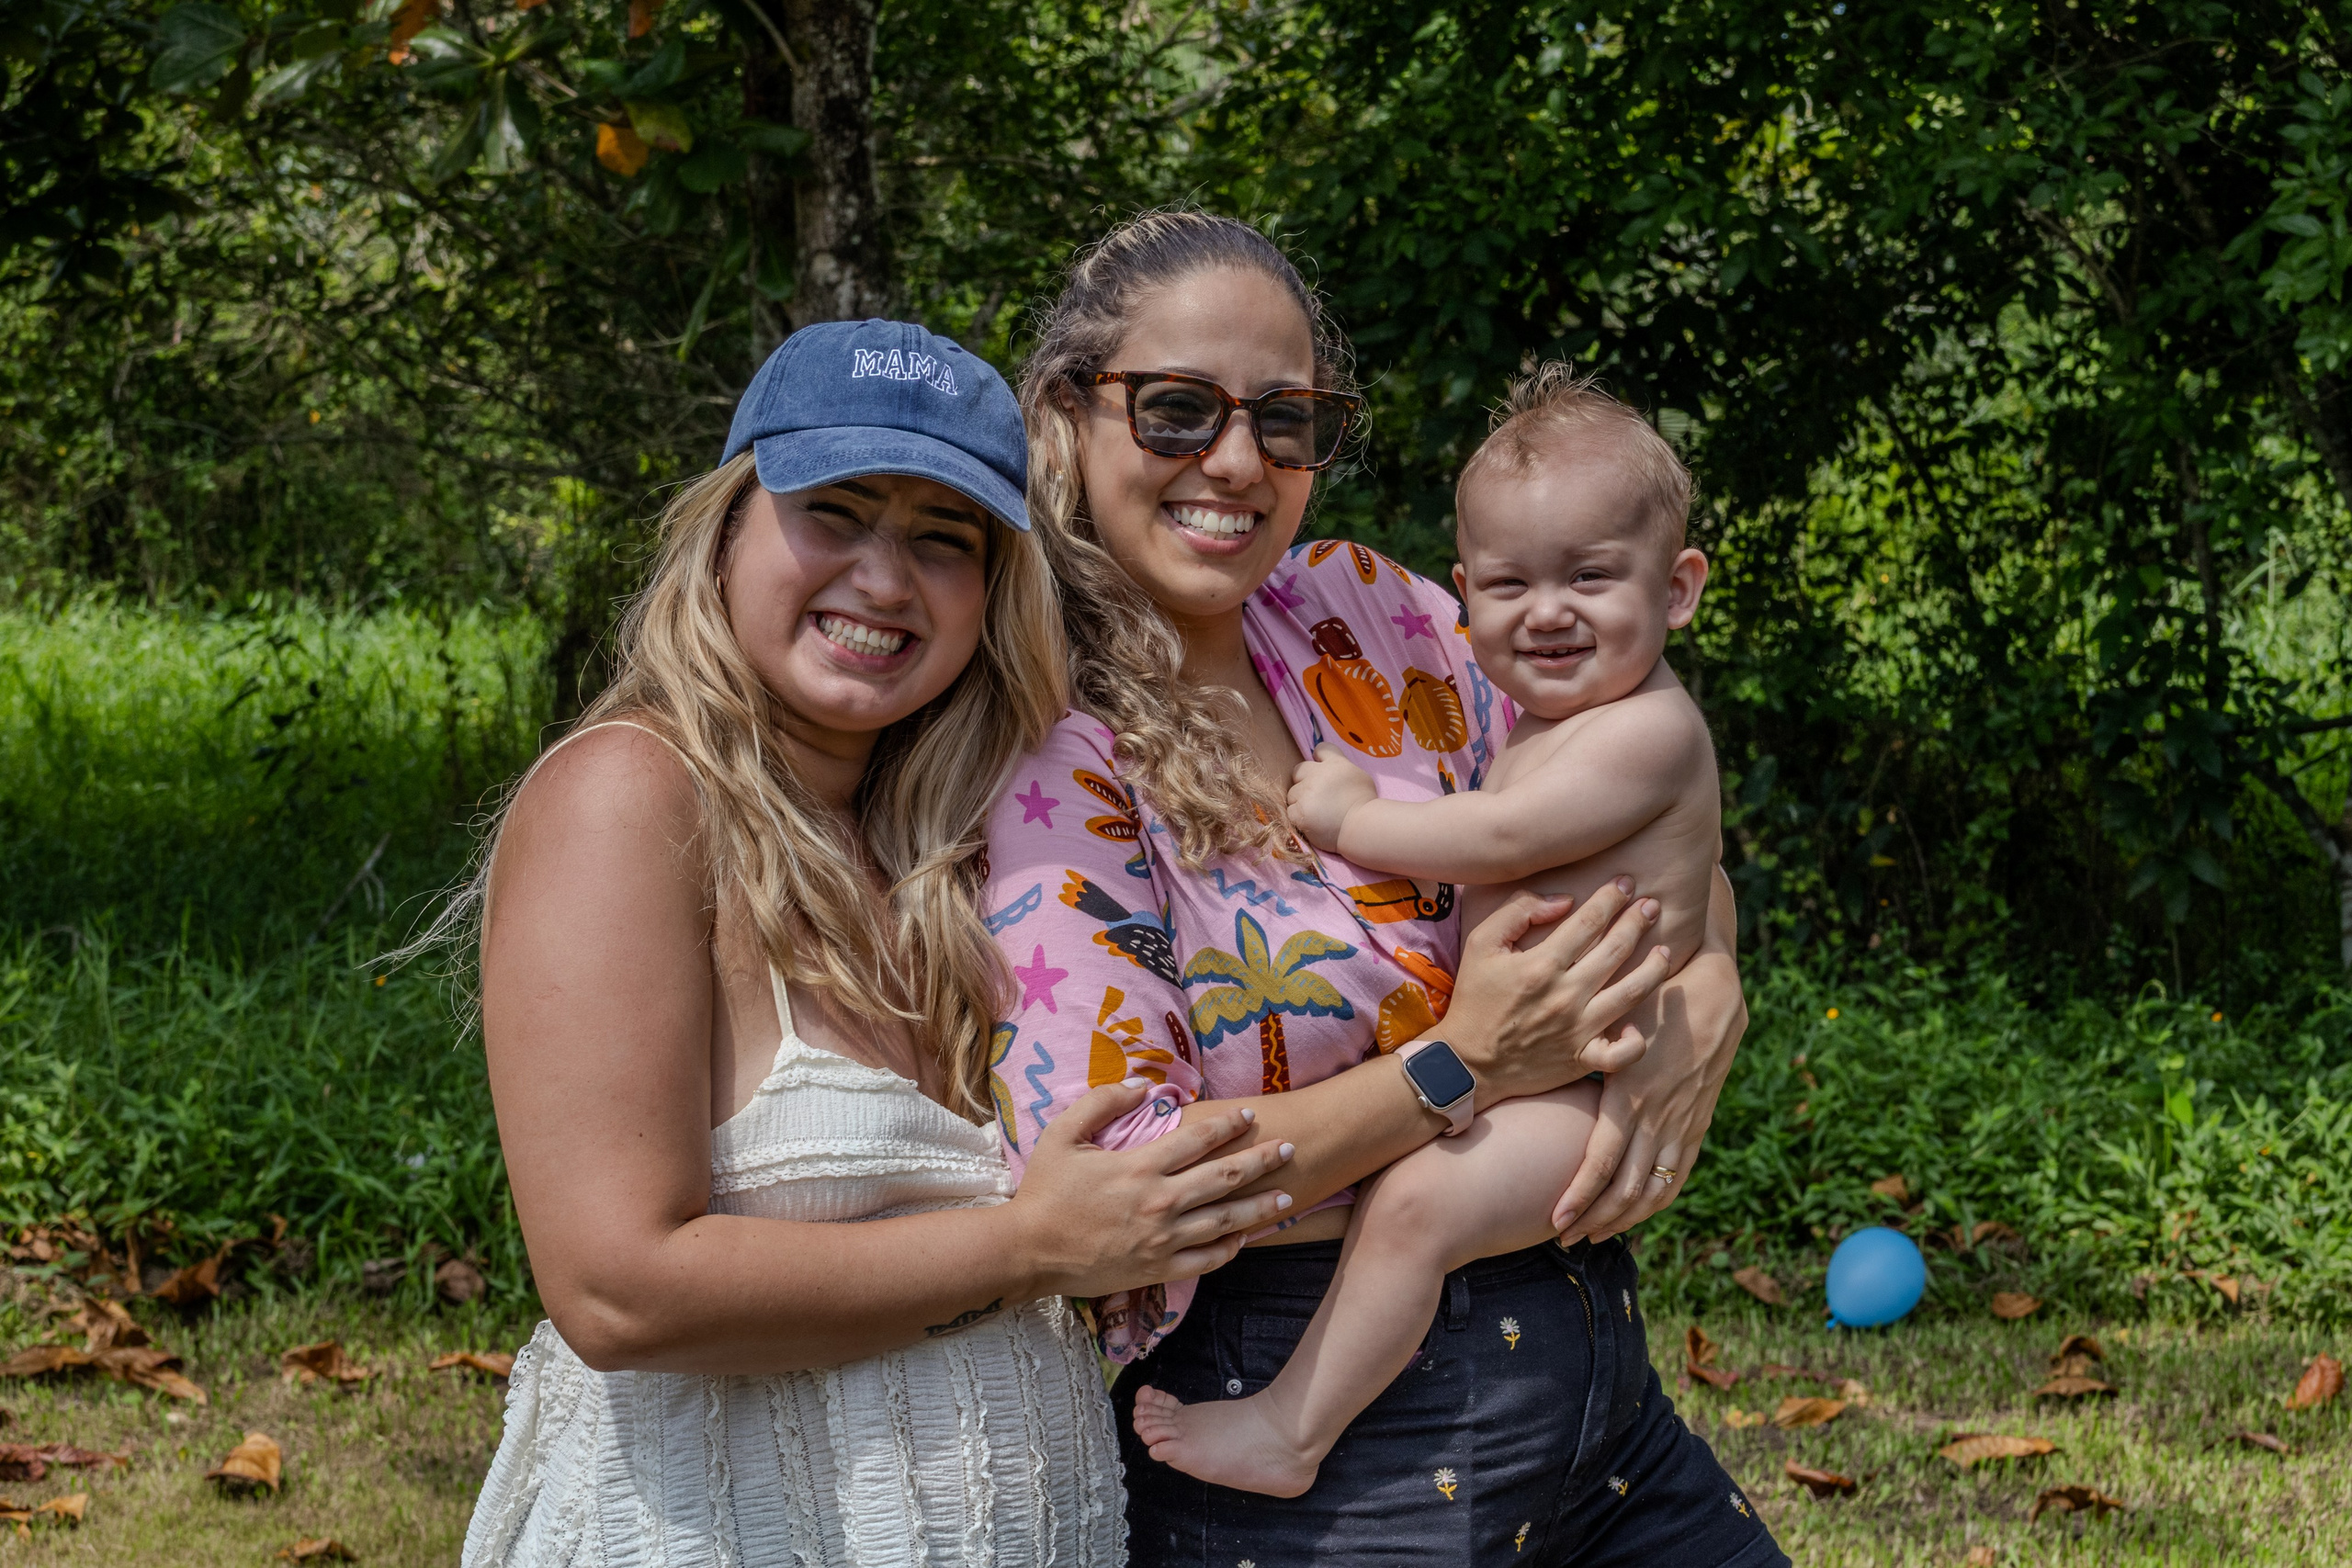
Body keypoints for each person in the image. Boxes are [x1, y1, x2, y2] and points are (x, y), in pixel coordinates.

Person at [982, 209, 1786, 1566]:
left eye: (1285, 421)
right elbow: (1127, 1187)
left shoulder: (1374, 614)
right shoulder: (1039, 745)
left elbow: (1630, 817)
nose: (1235, 459)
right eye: (1177, 409)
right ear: (1069, 411)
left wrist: (1712, 980)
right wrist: (1460, 1064)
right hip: (1339, 1454)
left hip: (1595, 1379)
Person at [459, 318, 1297, 1568]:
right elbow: (617, 1287)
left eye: (942, 540)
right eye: (837, 513)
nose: (886, 579)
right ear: (728, 529)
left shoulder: (979, 843)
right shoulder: (633, 799)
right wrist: (1033, 1246)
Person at [1129, 361, 1724, 1496]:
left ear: (1679, 587)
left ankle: (1291, 1434)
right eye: (1508, 585)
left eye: (1592, 577)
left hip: (1582, 1088)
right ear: (1463, 594)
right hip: (1538, 1070)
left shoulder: (1644, 732)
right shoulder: (1547, 711)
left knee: (1412, 1205)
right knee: (1410, 1193)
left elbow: (1499, 841)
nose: (1547, 612)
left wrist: (1357, 815)